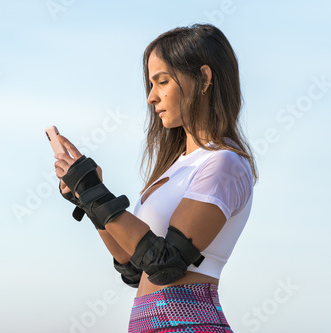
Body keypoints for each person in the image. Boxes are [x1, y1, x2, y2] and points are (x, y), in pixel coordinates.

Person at [53, 23, 258, 333]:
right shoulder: (178, 166)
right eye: (150, 84)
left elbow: (166, 264)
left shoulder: (223, 164)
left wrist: (97, 195)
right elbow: (133, 264)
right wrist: (88, 197)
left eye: (162, 82)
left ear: (204, 78)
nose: (151, 97)